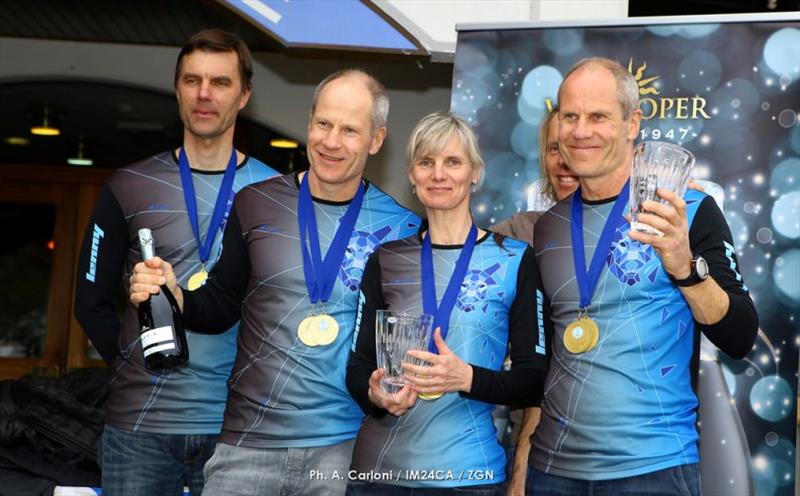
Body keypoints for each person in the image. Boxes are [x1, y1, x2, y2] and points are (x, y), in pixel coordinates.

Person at [129, 69, 421, 496]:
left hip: (345, 450)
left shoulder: (402, 227)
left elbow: (397, 340)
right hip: (247, 448)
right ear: (309, 123)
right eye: (323, 124)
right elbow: (222, 303)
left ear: (376, 139)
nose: (331, 141)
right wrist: (176, 295)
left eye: (349, 130)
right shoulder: (254, 203)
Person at [527, 57, 758, 495]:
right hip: (552, 471)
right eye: (570, 117)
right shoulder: (549, 226)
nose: (580, 131)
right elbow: (544, 361)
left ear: (633, 123)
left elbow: (740, 335)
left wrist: (685, 269)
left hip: (653, 471)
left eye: (598, 117)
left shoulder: (687, 213)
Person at [74, 30, 278, 496]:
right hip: (140, 430)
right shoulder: (128, 185)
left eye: (221, 82)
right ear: (178, 89)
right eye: (193, 80)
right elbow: (90, 301)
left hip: (241, 430)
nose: (205, 93)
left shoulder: (275, 194)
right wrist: (132, 365)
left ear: (244, 94)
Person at [345, 111, 550, 495]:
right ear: (412, 174)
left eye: (452, 162)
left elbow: (534, 379)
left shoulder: (515, 259)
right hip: (377, 476)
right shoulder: (386, 258)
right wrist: (374, 393)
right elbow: (357, 366)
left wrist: (465, 378)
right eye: (426, 162)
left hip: (467, 479)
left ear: (475, 172)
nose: (438, 174)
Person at [489, 109, 576, 496]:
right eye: (554, 148)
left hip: (618, 457)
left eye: (575, 146)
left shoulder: (636, 235)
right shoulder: (515, 234)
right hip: (522, 443)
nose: (564, 160)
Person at [490, 109, 577, 244]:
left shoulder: (620, 229)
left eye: (577, 148)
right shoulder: (521, 230)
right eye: (555, 148)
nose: (563, 160)